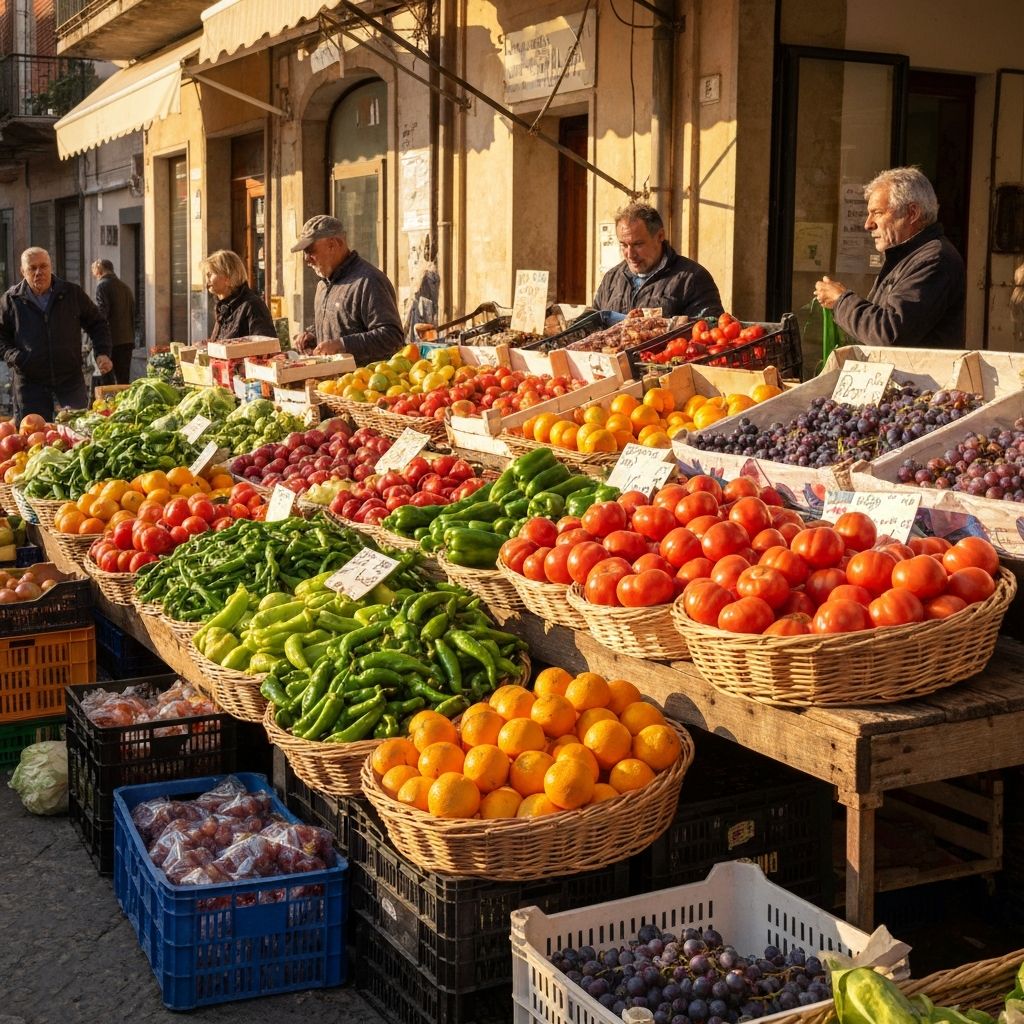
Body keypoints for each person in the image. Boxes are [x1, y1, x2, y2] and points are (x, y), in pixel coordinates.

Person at [814, 167, 966, 349]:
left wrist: (841, 301)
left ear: (912, 213)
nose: (868, 224)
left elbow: (889, 333)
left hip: (919, 377)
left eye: (877, 213)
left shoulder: (934, 259)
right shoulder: (907, 256)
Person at [0, 247, 112, 420]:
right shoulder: (10, 300)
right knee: (33, 440)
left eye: (43, 266)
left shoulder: (71, 293)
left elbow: (97, 323)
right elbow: (1, 338)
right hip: (30, 384)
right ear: (23, 272)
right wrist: (16, 358)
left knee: (78, 433)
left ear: (51, 267)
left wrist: (102, 352)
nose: (39, 272)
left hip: (70, 380)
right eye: (32, 268)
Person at [290, 215, 404, 364]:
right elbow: (343, 324)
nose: (306, 259)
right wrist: (312, 335)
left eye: (310, 250)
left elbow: (392, 337)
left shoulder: (368, 281)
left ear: (333, 244)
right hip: (330, 383)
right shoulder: (323, 285)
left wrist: (342, 345)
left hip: (364, 383)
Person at [593, 202, 724, 320]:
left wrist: (660, 328)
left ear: (660, 236)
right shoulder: (611, 279)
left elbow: (709, 327)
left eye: (638, 244)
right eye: (623, 245)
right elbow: (591, 321)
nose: (630, 254)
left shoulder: (692, 279)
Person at [200, 249, 276, 342]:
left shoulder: (252, 306)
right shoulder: (223, 307)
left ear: (228, 277)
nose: (207, 279)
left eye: (210, 274)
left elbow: (265, 347)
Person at [91, 258, 136, 384]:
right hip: (127, 341)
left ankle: (108, 403)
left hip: (111, 342)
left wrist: (95, 337)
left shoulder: (102, 286)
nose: (95, 277)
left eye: (94, 273)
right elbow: (133, 314)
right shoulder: (125, 287)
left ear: (99, 270)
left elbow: (101, 315)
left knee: (107, 381)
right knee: (123, 381)